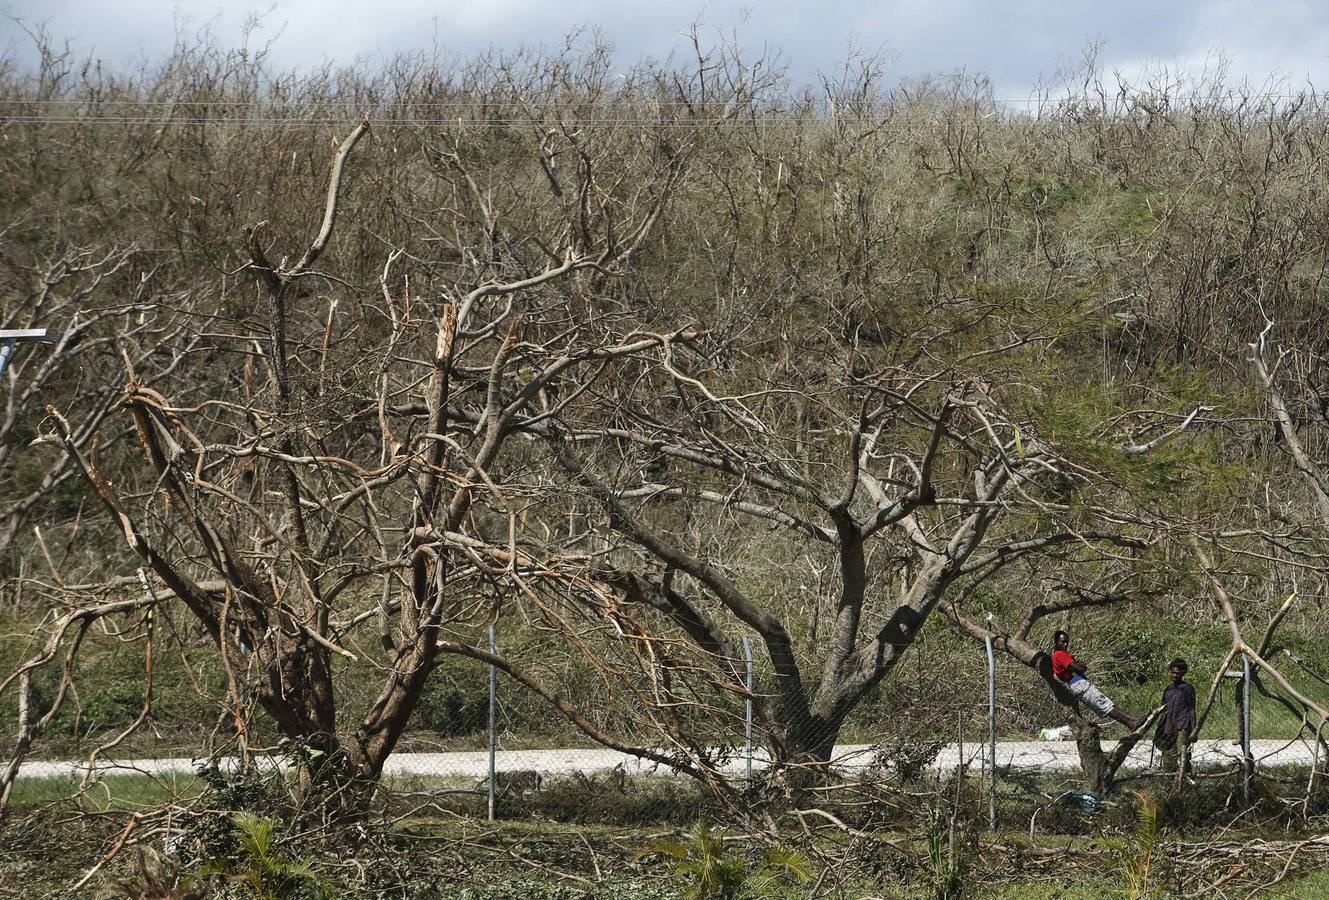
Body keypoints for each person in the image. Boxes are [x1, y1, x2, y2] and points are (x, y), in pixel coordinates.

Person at [1050, 630, 1143, 730]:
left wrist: (1078, 666)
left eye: (1066, 642)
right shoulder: (1060, 654)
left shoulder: (1061, 655)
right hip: (1077, 683)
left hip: (1078, 683)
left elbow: (1079, 667)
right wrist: (1078, 665)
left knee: (1107, 703)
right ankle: (1131, 723)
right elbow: (1080, 668)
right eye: (1062, 642)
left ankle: (1133, 721)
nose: (1065, 644)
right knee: (1105, 705)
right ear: (1056, 642)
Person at [1154, 657, 1196, 774]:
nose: (1175, 675)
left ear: (1183, 673)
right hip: (1168, 727)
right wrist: (1160, 728)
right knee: (1168, 757)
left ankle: (1185, 780)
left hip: (1183, 726)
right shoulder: (1168, 689)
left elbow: (1192, 709)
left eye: (1178, 673)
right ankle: (1169, 783)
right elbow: (1162, 710)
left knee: (1183, 756)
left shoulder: (1188, 688)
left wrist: (1194, 731)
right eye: (1173, 672)